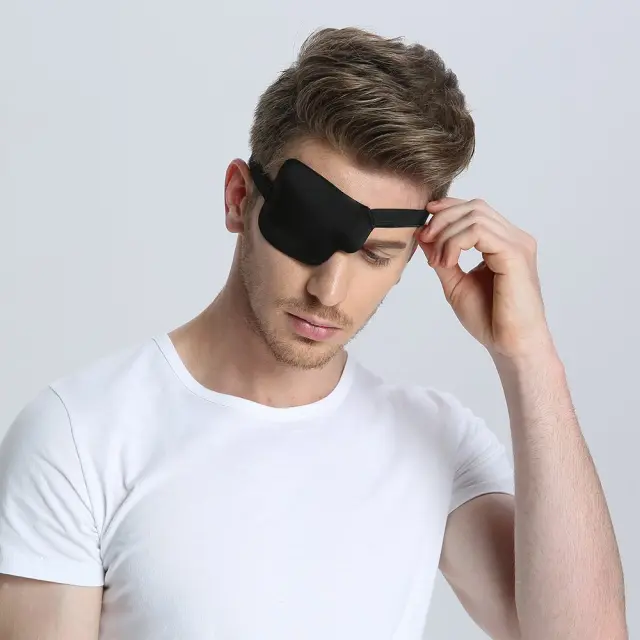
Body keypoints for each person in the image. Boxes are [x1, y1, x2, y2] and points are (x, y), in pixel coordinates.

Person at [0, 26, 627, 640]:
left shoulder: (435, 442)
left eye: (376, 256)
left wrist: (529, 356)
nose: (329, 291)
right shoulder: (82, 436)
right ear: (238, 198)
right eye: (305, 234)